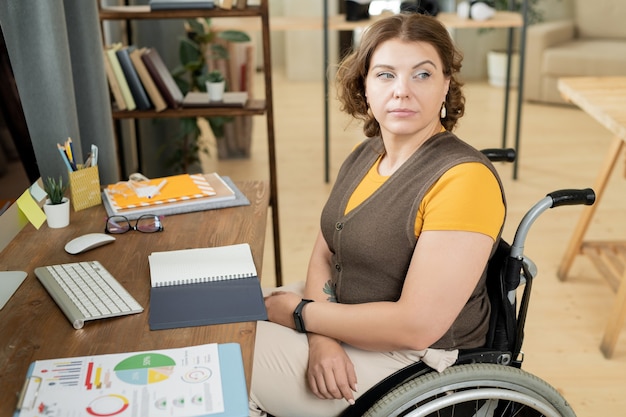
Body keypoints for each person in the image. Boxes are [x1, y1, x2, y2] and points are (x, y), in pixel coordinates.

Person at [249, 12, 506, 417]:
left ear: (445, 86)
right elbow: (325, 253)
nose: (402, 91)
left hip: (414, 360)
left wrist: (301, 314)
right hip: (344, 319)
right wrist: (321, 337)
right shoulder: (367, 154)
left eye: (421, 75)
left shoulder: (464, 181)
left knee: (225, 363)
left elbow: (416, 325)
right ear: (365, 87)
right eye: (385, 75)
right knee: (226, 324)